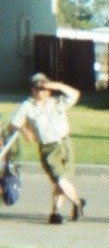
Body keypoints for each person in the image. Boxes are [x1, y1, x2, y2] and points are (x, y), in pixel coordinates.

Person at [2, 73, 86, 223]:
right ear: (32, 90)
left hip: (65, 144)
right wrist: (25, 129)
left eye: (43, 88)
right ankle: (78, 203)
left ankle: (56, 213)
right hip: (48, 148)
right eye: (37, 88)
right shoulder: (27, 106)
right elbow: (14, 124)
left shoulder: (56, 102)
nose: (41, 91)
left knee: (61, 180)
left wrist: (57, 85)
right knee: (59, 179)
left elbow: (75, 95)